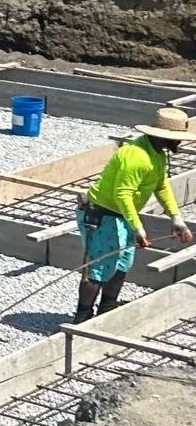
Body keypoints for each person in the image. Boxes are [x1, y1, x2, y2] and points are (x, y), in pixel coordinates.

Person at [74, 104, 193, 323]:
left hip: (121, 216)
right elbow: (123, 194)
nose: (179, 142)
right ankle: (82, 318)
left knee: (122, 263)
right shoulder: (137, 156)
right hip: (102, 214)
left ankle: (107, 308)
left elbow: (161, 185)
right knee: (99, 267)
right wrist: (138, 227)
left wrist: (176, 217)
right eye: (176, 138)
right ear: (164, 136)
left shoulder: (156, 154)